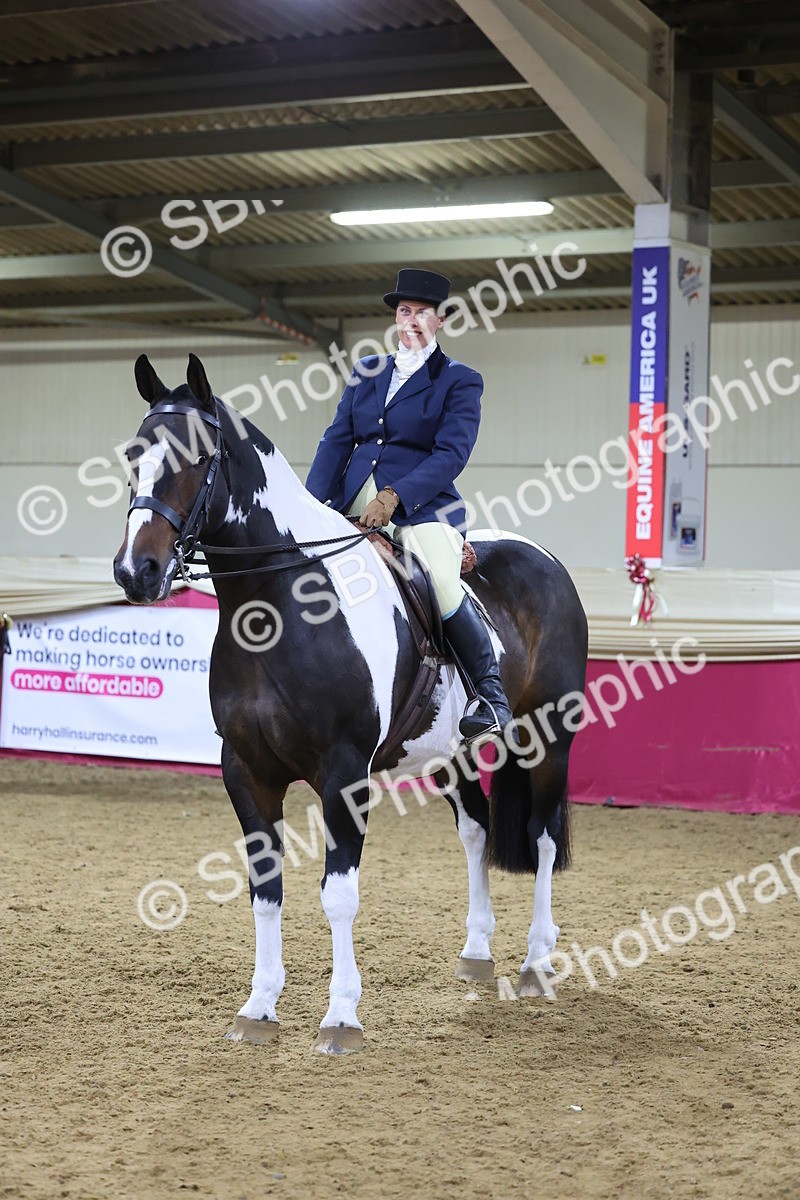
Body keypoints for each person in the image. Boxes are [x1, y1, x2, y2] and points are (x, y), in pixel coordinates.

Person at [306, 267, 515, 743]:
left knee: (440, 582)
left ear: (441, 320)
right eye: (405, 312)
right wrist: (310, 503)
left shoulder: (460, 380)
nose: (412, 321)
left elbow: (451, 454)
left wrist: (395, 495)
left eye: (423, 313)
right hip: (351, 499)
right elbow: (336, 440)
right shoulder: (369, 371)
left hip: (423, 506)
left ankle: (490, 696)